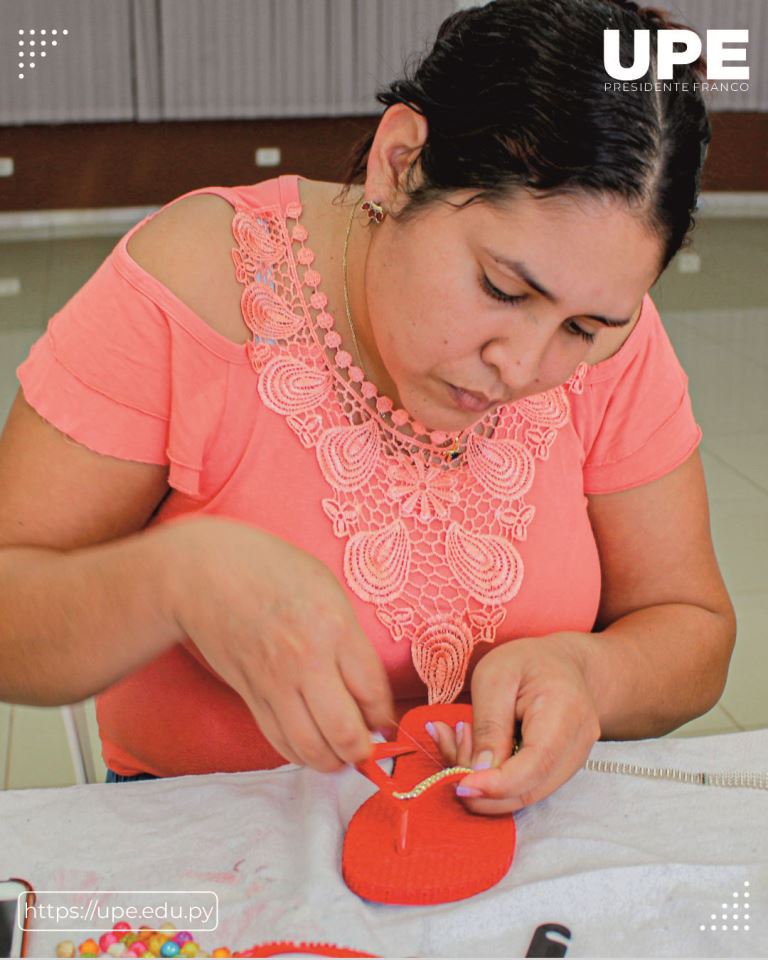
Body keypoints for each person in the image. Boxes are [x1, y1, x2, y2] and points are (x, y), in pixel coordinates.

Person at [0, 0, 735, 811]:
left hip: (498, 845)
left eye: (586, 327)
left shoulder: (608, 329)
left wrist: (591, 673)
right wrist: (171, 582)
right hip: (217, 850)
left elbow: (690, 626)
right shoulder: (192, 290)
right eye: (502, 288)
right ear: (400, 162)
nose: (524, 366)